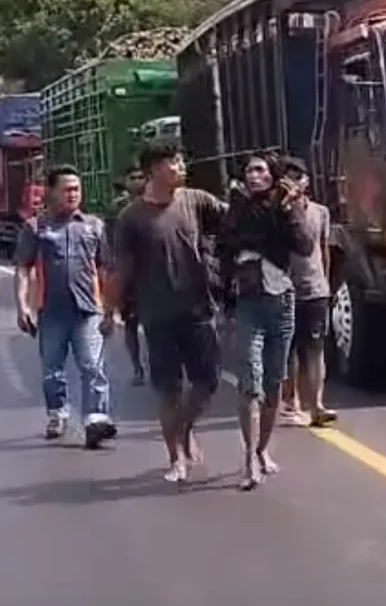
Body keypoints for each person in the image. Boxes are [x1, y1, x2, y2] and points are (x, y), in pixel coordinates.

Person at [113, 141, 227, 482]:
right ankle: (175, 457)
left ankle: (185, 428)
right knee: (168, 388)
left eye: (179, 159)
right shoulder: (130, 217)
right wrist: (112, 310)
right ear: (154, 170)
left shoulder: (196, 200)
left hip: (198, 308)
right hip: (157, 313)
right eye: (173, 162)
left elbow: (233, 223)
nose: (180, 166)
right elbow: (123, 268)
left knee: (208, 381)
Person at [218, 151, 313, 491]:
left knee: (274, 383)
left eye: (260, 170)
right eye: (249, 171)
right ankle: (248, 458)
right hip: (249, 303)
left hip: (282, 301)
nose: (253, 176)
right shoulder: (238, 207)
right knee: (251, 383)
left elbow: (304, 246)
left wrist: (289, 209)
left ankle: (262, 451)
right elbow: (227, 245)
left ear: (272, 174)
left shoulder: (286, 207)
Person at [13, 164, 117, 449]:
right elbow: (23, 268)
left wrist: (110, 310)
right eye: (67, 189)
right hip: (51, 311)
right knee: (52, 370)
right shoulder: (35, 228)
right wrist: (22, 306)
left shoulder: (94, 226)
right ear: (51, 192)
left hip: (87, 310)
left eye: (77, 189)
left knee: (93, 367)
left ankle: (96, 419)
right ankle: (57, 413)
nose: (73, 194)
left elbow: (106, 270)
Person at [281, 159, 337, 428]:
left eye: (299, 176)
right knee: (288, 351)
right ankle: (290, 401)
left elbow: (323, 248)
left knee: (315, 348)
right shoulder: (276, 213)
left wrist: (326, 282)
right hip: (283, 289)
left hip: (315, 290)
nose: (295, 182)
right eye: (288, 177)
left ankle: (317, 405)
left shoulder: (321, 212)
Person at [106, 164, 147, 385]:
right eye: (133, 177)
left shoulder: (158, 204)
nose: (137, 181)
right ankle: (137, 367)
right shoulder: (118, 209)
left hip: (153, 274)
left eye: (142, 177)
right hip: (128, 274)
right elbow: (111, 242)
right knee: (131, 323)